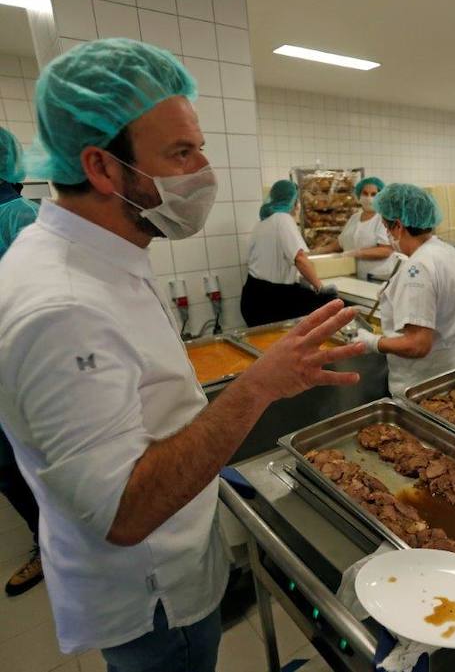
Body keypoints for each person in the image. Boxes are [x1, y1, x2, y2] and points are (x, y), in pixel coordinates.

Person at [0, 38, 364, 671]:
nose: (204, 171)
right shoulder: (61, 306)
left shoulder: (106, 253)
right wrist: (257, 387)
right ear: (103, 168)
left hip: (177, 556)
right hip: (154, 597)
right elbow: (125, 510)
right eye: (180, 152)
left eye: (199, 148)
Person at [354, 183, 455, 397]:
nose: (387, 234)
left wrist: (373, 342)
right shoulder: (446, 251)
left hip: (428, 385)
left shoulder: (418, 266)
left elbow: (418, 345)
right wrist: (395, 292)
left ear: (399, 226)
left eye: (386, 226)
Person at [0, 126, 43, 596]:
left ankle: (48, 541)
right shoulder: (21, 216)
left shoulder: (18, 216)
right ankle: (47, 543)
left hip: (16, 365)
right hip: (17, 366)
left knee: (16, 462)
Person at [240, 179, 339, 326]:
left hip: (253, 297)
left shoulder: (261, 223)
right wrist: (320, 288)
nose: (298, 206)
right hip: (271, 301)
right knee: (329, 305)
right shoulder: (282, 218)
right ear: (292, 201)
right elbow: (300, 259)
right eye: (297, 201)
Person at [313, 175, 397, 280]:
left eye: (373, 194)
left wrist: (357, 253)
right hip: (355, 274)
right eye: (365, 193)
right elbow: (341, 242)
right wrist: (320, 251)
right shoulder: (355, 217)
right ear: (359, 195)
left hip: (378, 276)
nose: (369, 198)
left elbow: (386, 250)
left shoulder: (382, 219)